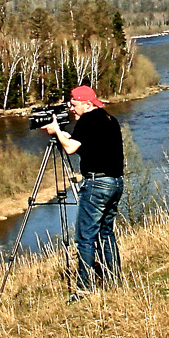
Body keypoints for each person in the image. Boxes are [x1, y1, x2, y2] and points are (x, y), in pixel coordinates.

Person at [41, 85, 125, 299]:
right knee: (106, 233)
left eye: (75, 105)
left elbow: (69, 148)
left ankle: (84, 288)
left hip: (96, 184)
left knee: (85, 237)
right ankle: (114, 279)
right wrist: (67, 136)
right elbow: (91, 145)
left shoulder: (88, 120)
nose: (71, 109)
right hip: (115, 183)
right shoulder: (108, 119)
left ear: (87, 104)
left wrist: (57, 131)